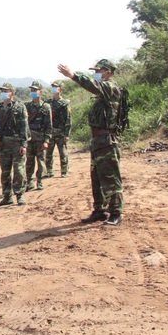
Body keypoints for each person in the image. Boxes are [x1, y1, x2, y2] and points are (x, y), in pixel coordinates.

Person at [57, 59, 124, 226]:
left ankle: (116, 212)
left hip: (107, 141)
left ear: (108, 72)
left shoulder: (111, 87)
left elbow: (94, 86)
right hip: (98, 141)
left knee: (110, 178)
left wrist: (73, 75)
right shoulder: (103, 93)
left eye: (99, 71)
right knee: (97, 178)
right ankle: (99, 210)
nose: (96, 73)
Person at [0, 83, 29, 206]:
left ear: (12, 93)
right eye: (2, 91)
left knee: (19, 170)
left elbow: (24, 127)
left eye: (6, 91)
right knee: (5, 171)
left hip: (16, 143)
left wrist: (24, 144)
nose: (3, 93)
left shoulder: (20, 107)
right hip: (3, 144)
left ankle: (19, 195)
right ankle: (7, 196)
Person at [24, 81, 52, 191]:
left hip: (40, 138)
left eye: (35, 90)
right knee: (29, 161)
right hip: (29, 138)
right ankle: (29, 182)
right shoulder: (26, 106)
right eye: (31, 90)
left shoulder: (46, 107)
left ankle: (39, 181)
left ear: (40, 92)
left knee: (41, 161)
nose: (33, 92)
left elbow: (49, 126)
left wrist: (46, 140)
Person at [46, 81, 72, 178]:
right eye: (52, 86)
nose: (53, 88)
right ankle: (49, 171)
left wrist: (67, 134)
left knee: (63, 152)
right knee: (48, 152)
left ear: (60, 89)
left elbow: (68, 119)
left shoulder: (65, 103)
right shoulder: (48, 102)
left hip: (61, 131)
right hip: (50, 131)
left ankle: (64, 170)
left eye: (55, 87)